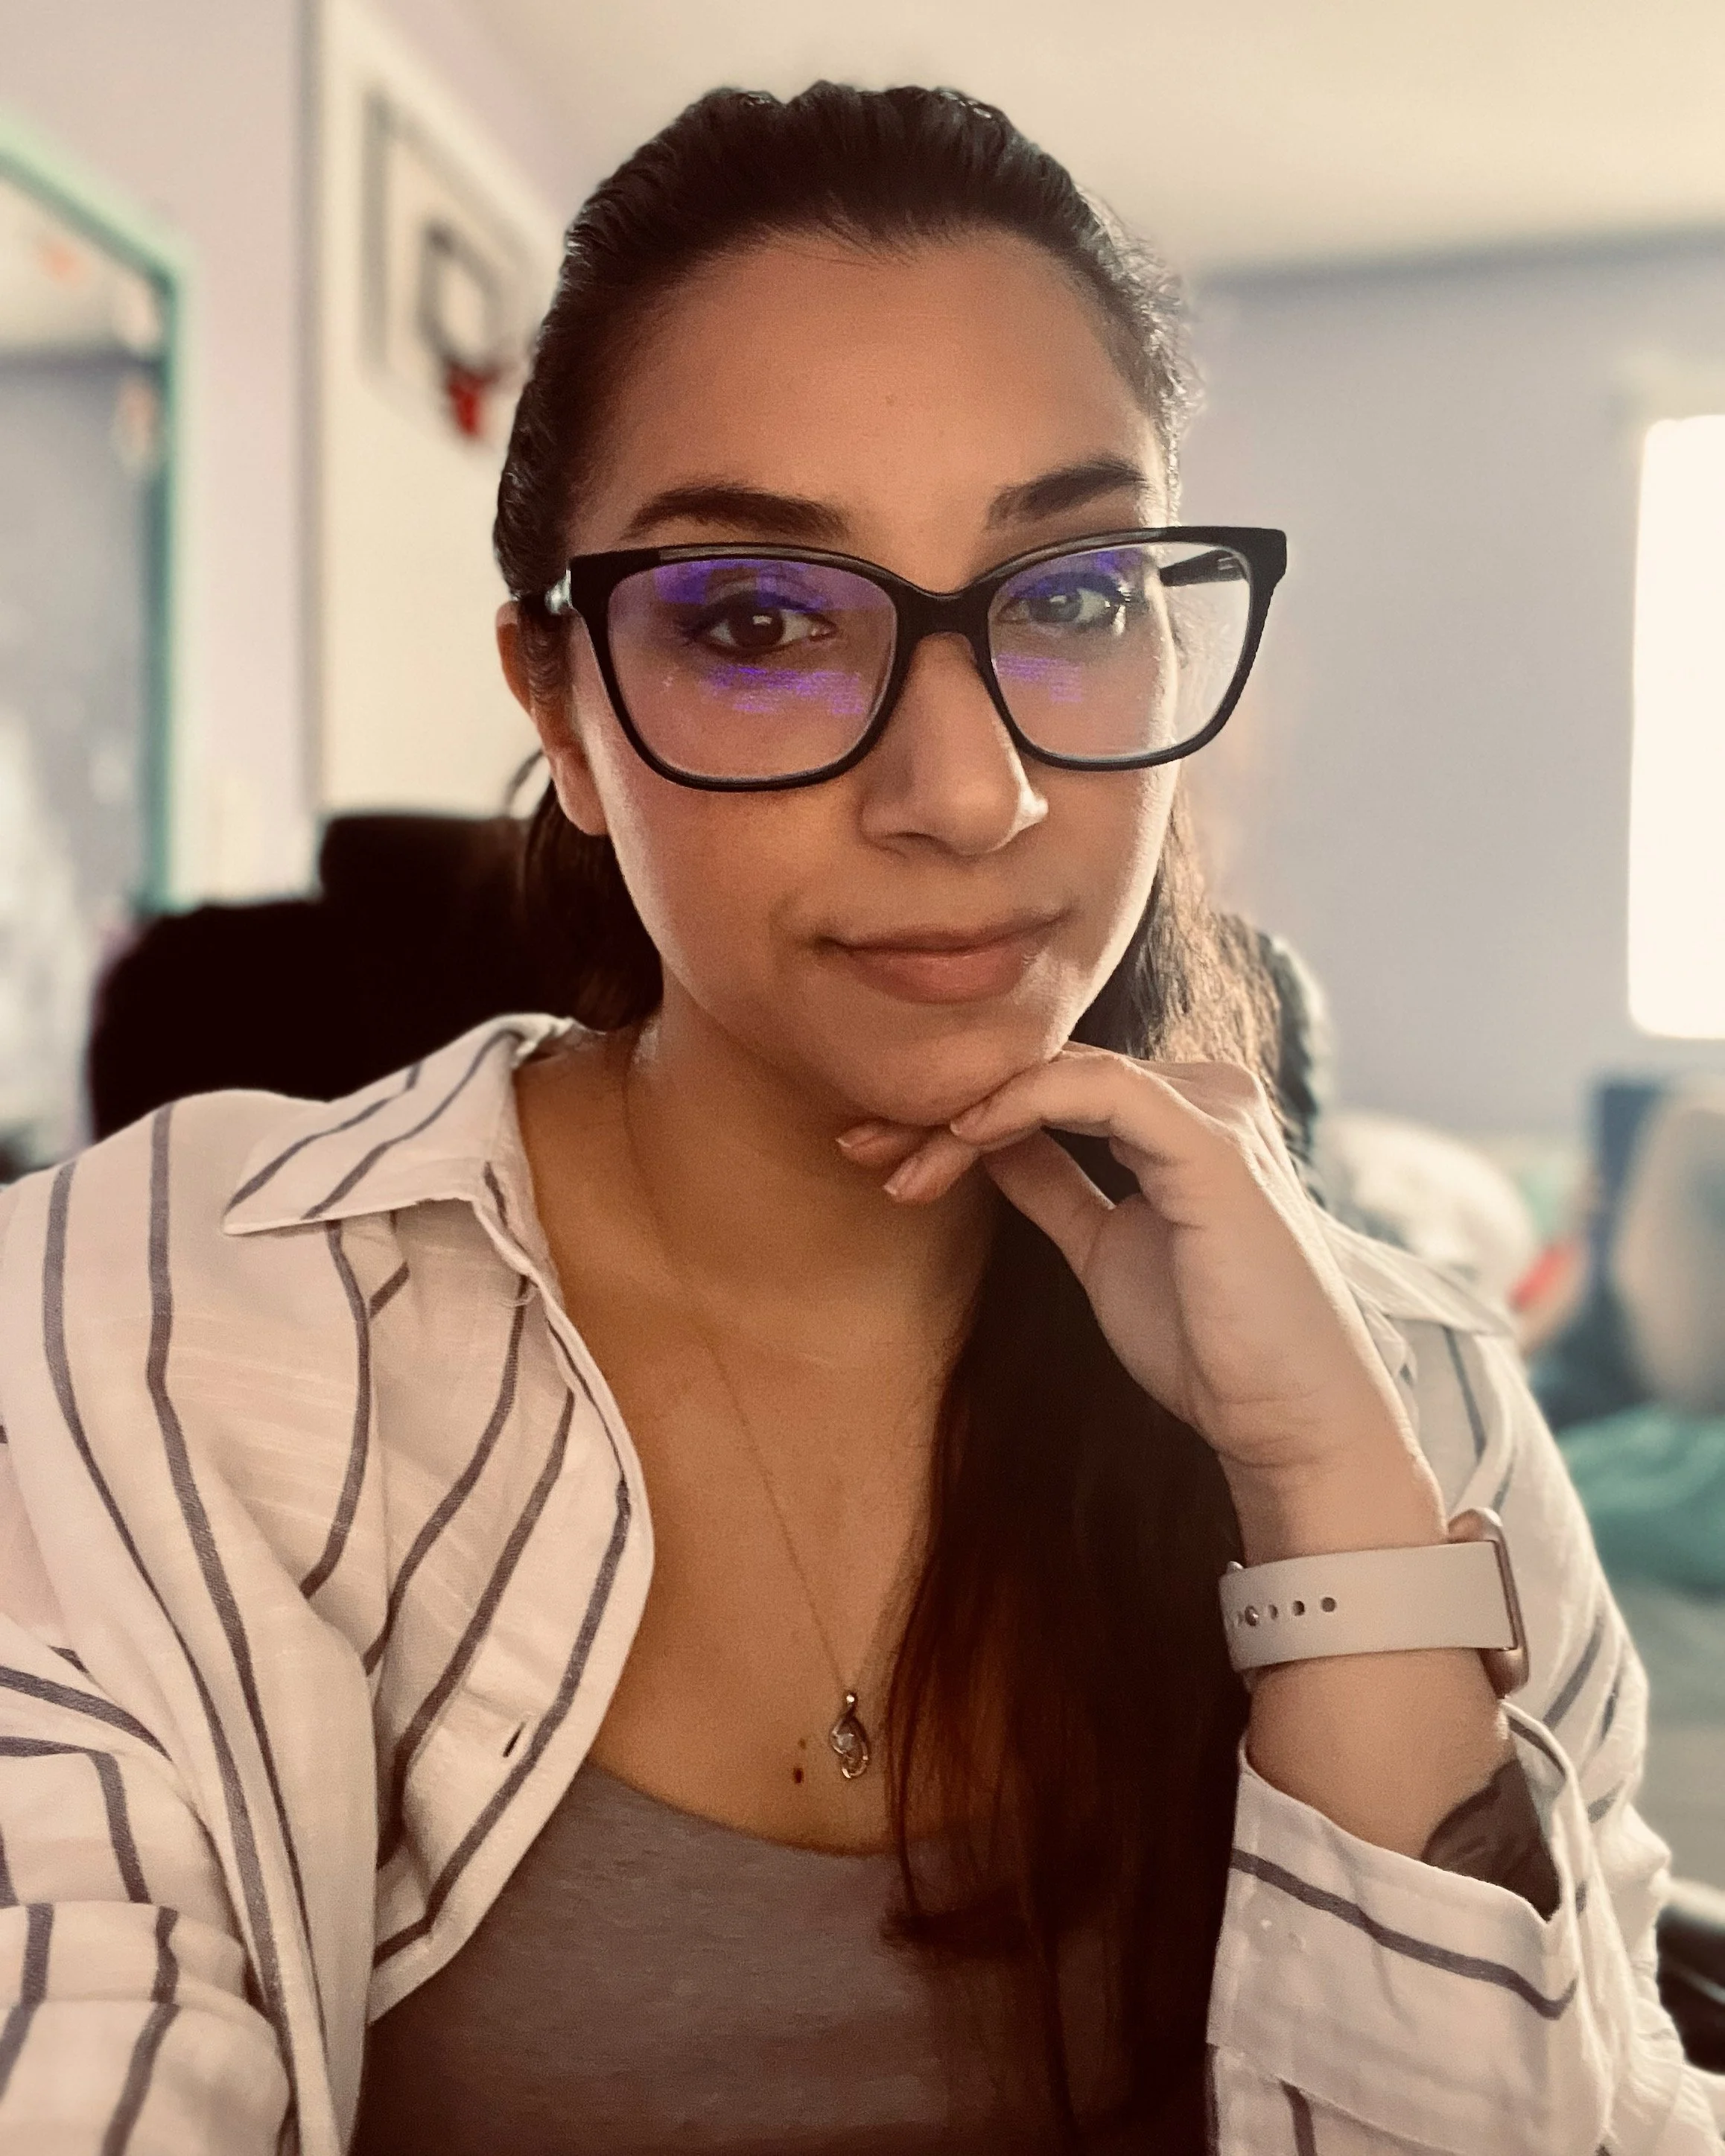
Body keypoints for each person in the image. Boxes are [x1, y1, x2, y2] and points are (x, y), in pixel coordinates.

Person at [0, 83, 1715, 2156]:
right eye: (758, 623)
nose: (965, 793)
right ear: (555, 707)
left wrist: (1332, 1508)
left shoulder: (1405, 1388)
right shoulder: (153, 1321)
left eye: (1067, 597)